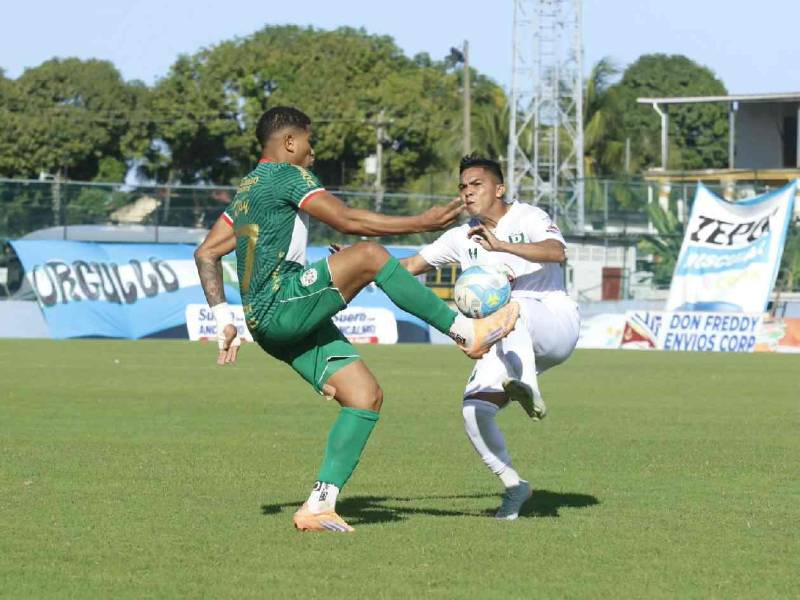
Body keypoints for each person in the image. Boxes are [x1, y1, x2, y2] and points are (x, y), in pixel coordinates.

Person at [193, 107, 519, 533]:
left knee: (364, 396)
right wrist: (420, 222)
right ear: (290, 142)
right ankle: (465, 332)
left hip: (269, 323)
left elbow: (206, 253)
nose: (313, 153)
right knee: (368, 255)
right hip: (282, 302)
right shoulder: (286, 175)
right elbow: (346, 220)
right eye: (308, 142)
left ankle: (319, 505)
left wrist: (224, 318)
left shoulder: (247, 189)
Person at [399, 154, 580, 520]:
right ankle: (514, 487)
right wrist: (363, 265)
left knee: (513, 306)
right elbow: (410, 266)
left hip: (554, 321)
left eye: (476, 184)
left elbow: (557, 252)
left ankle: (528, 388)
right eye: (463, 187)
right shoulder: (460, 236)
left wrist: (501, 246)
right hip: (506, 337)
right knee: (474, 411)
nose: (468, 192)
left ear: (499, 189)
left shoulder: (528, 217)